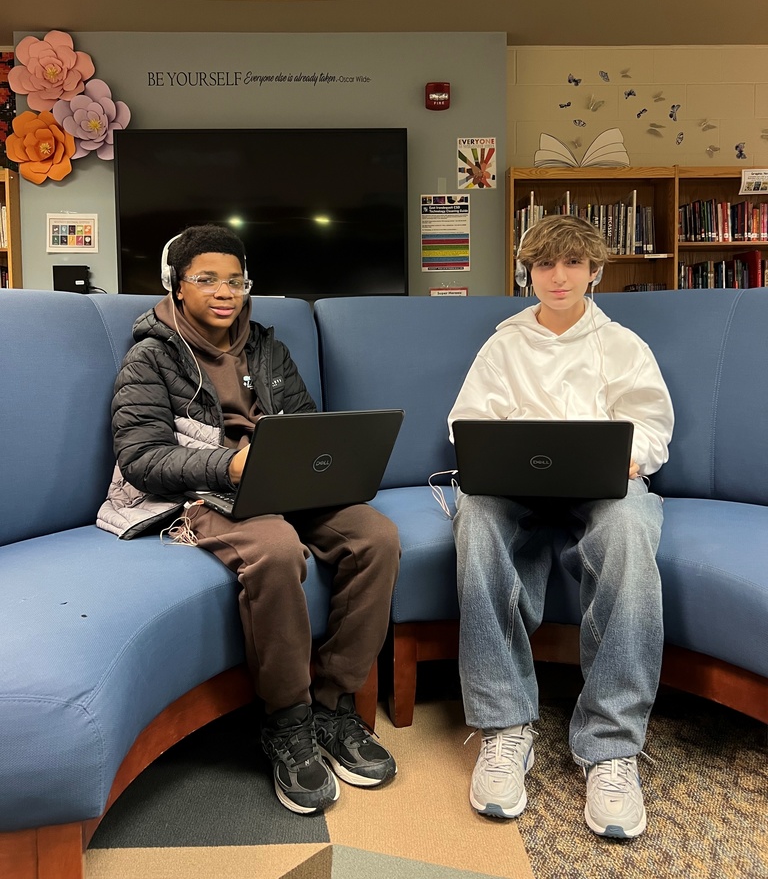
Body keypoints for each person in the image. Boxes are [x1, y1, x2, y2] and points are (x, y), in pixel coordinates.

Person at [97, 224, 400, 815]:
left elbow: (306, 423)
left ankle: (333, 705)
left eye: (235, 281)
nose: (224, 292)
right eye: (206, 279)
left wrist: (318, 463)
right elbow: (140, 457)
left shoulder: (267, 347)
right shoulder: (150, 357)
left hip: (285, 483)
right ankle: (287, 721)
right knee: (277, 550)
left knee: (377, 537)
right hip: (206, 492)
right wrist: (229, 464)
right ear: (176, 285)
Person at [448, 215, 674, 839]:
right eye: (545, 264)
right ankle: (504, 726)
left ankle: (611, 747)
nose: (558, 276)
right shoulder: (503, 345)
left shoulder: (623, 345)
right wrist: (494, 456)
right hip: (513, 490)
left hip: (603, 490)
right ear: (529, 272)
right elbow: (467, 422)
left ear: (594, 271)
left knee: (630, 528)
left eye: (573, 263)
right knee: (475, 519)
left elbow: (652, 426)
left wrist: (631, 457)